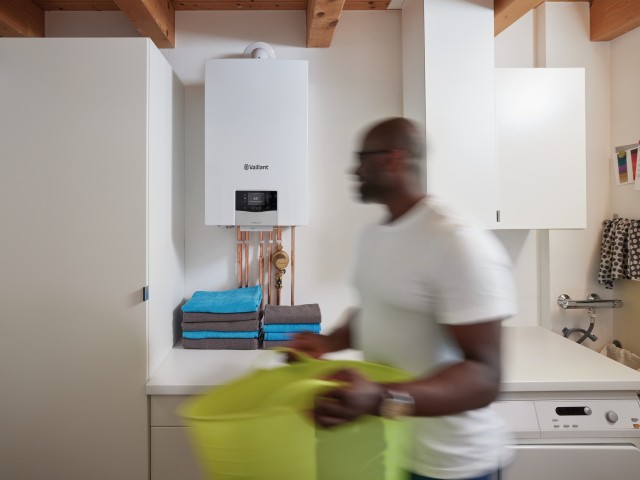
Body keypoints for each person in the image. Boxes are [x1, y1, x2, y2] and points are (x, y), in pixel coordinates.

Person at [289, 117, 517, 480]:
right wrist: (329, 341)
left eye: (363, 157)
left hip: (453, 464)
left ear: (393, 159)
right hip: (393, 454)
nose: (354, 169)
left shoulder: (455, 241)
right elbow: (379, 310)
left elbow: (485, 376)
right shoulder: (376, 235)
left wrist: (380, 398)